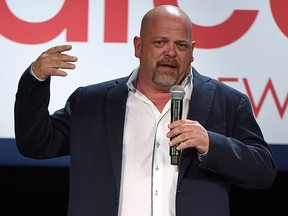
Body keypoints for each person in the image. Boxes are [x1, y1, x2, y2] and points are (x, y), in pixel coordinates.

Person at [14, 4, 276, 216]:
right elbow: (36, 143)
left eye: (181, 45)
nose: (170, 53)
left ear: (192, 51)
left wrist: (210, 144)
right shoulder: (91, 102)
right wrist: (35, 80)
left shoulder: (228, 102)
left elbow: (263, 170)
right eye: (160, 43)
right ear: (139, 47)